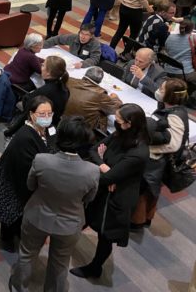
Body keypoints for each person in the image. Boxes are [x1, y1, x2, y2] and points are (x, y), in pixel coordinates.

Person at [9, 117, 99, 292]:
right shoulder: (92, 171)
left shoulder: (41, 160)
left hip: (37, 215)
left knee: (27, 254)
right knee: (60, 263)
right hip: (70, 223)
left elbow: (30, 185)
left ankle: (19, 286)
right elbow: (89, 199)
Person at [70, 103, 149, 280]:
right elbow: (94, 150)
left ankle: (95, 268)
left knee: (105, 234)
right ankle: (66, 242)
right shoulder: (120, 134)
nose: (115, 121)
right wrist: (106, 167)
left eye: (119, 119)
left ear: (129, 123)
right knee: (84, 216)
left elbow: (107, 176)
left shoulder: (139, 152)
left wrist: (108, 172)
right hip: (105, 189)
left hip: (117, 198)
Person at [0, 96, 51, 253]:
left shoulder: (45, 129)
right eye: (42, 114)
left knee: (19, 216)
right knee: (11, 215)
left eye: (50, 113)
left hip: (25, 182)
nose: (47, 117)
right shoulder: (24, 137)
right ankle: (6, 239)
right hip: (17, 183)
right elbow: (26, 170)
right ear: (31, 114)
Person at [132, 79, 189, 230]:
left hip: (157, 161)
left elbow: (174, 144)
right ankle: (144, 219)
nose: (159, 90)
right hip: (157, 161)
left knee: (145, 192)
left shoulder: (175, 116)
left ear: (170, 94)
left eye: (162, 89)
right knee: (148, 192)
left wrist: (150, 150)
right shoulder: (169, 108)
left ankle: (137, 222)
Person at [4, 56, 70, 138]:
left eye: (43, 65)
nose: (41, 66)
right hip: (52, 121)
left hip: (39, 124)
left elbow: (26, 112)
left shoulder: (44, 91)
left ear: (48, 73)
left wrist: (9, 132)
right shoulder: (65, 89)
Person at [64, 67, 122, 131]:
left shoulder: (70, 80)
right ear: (100, 81)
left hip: (63, 119)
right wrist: (115, 98)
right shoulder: (100, 94)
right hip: (85, 128)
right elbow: (116, 109)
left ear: (86, 74)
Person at [163, 20, 196, 85]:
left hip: (167, 70)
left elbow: (166, 50)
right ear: (191, 30)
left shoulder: (170, 37)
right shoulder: (192, 38)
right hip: (185, 73)